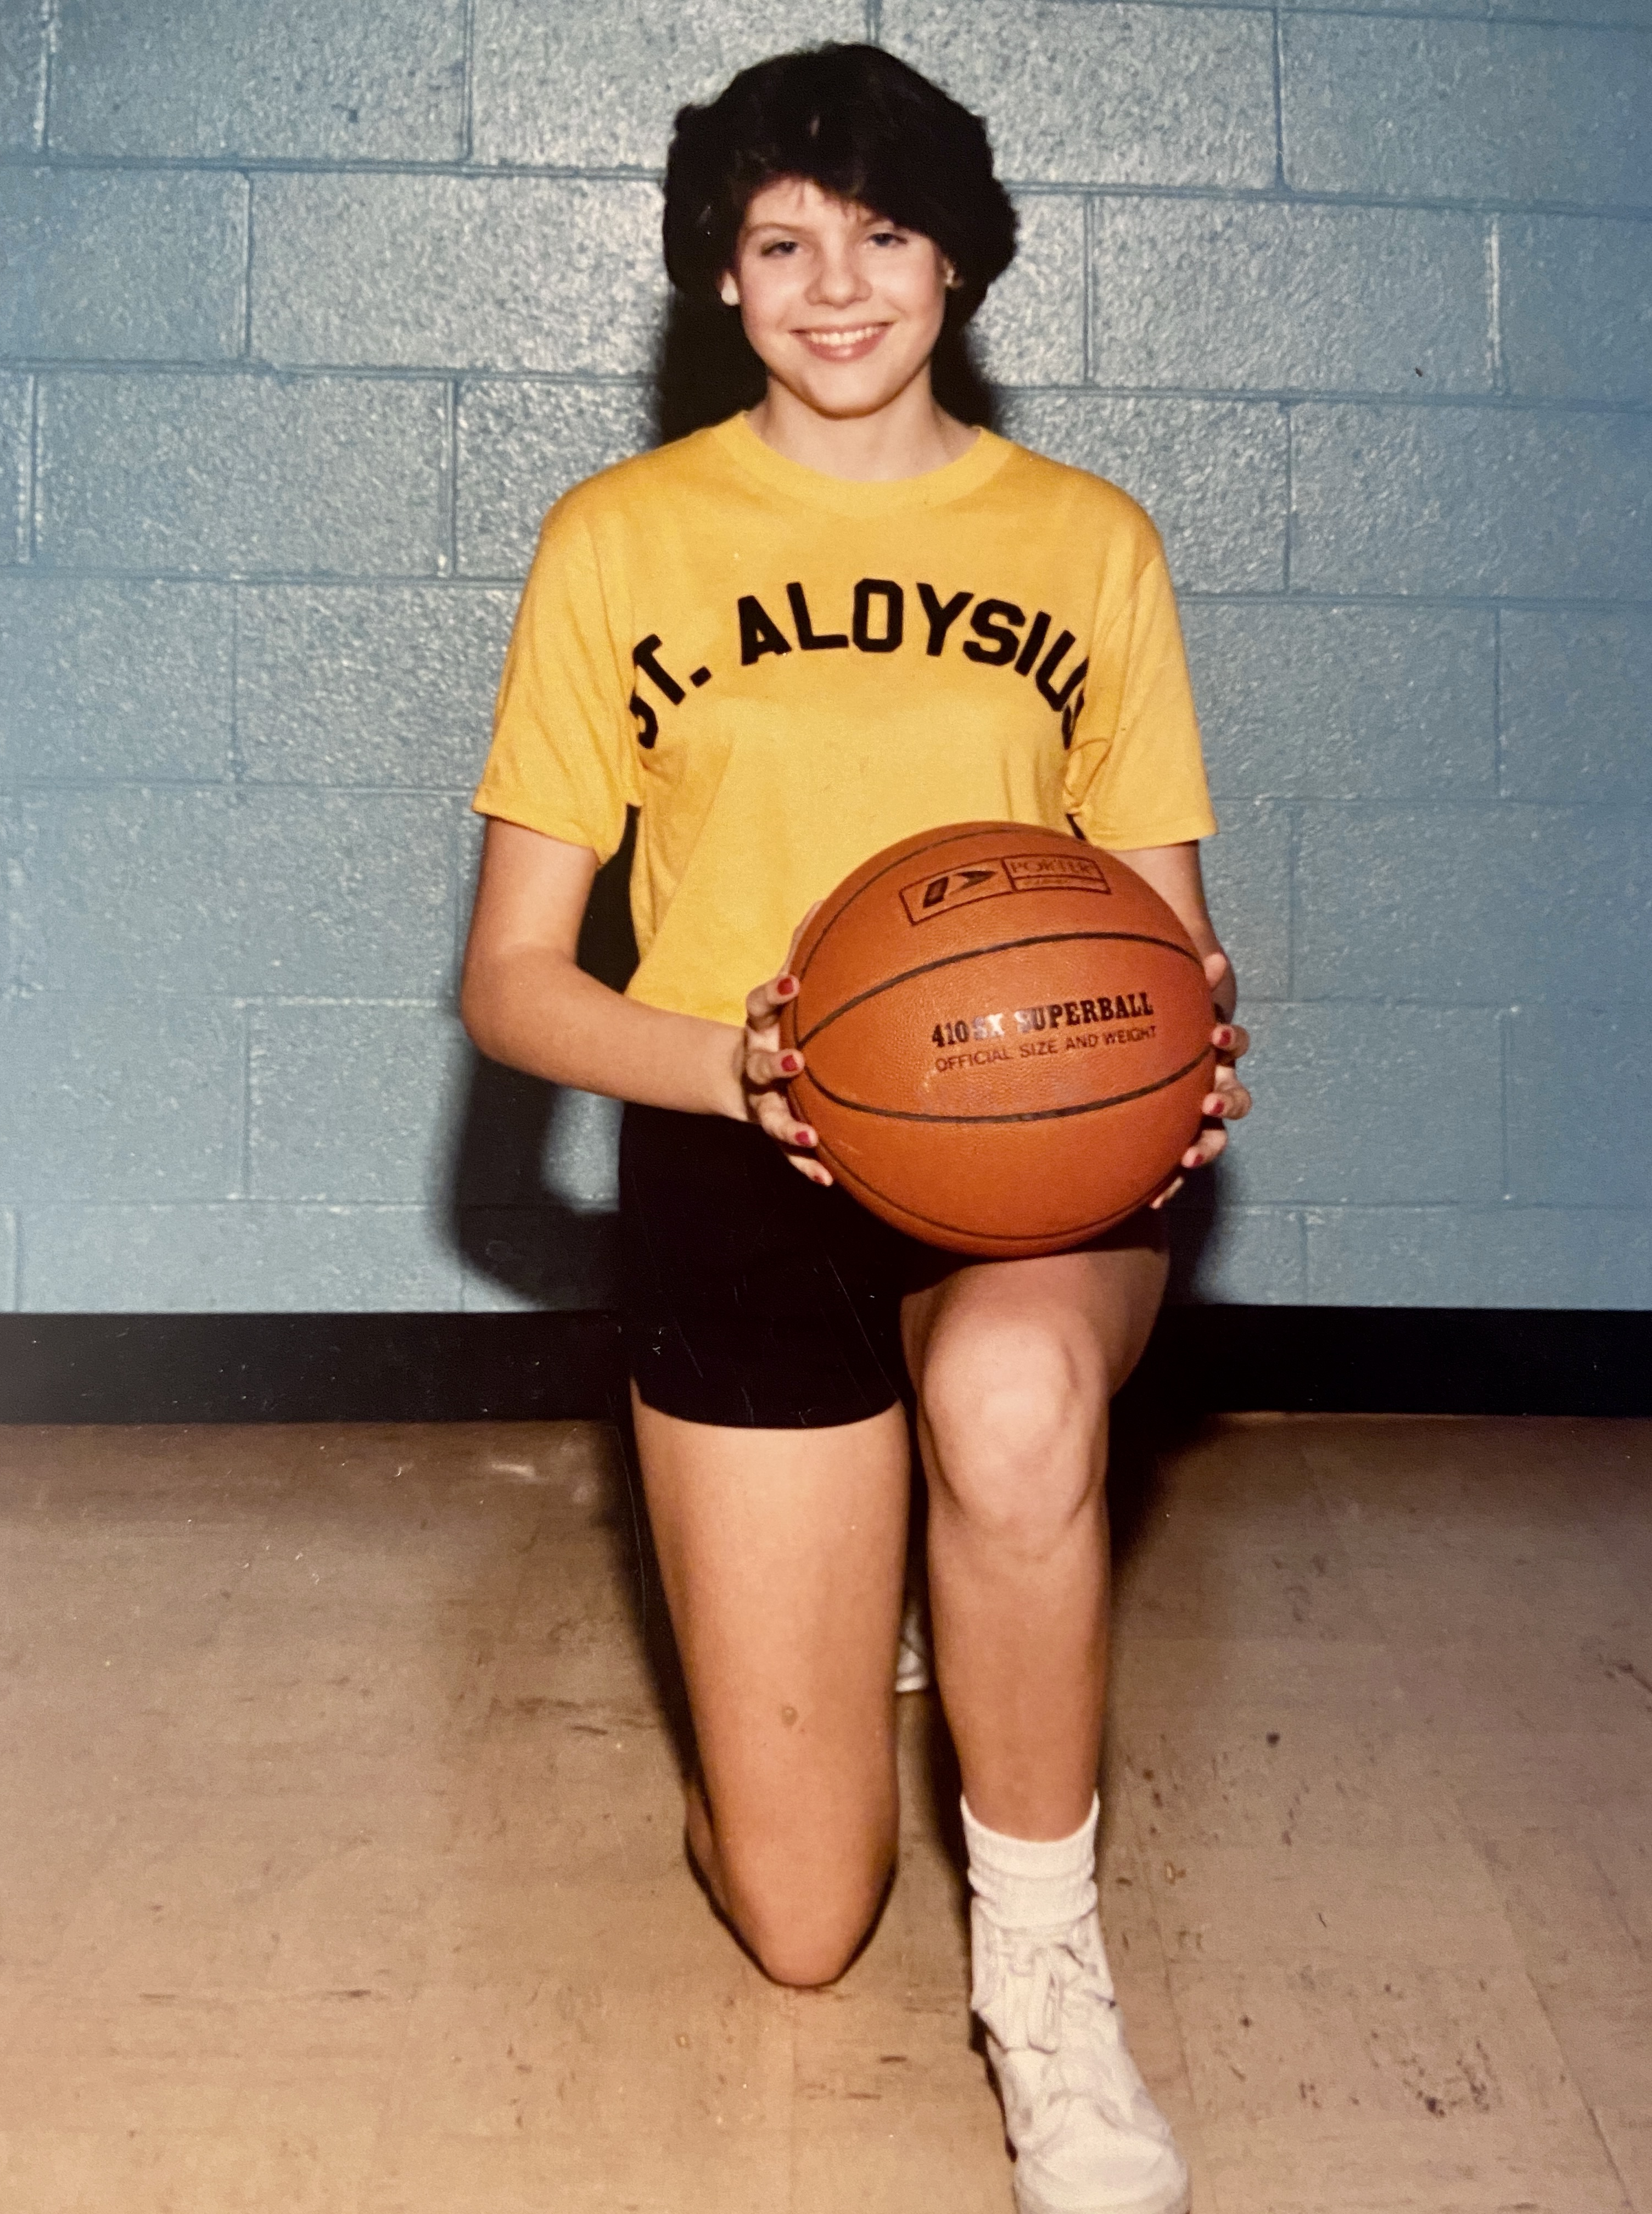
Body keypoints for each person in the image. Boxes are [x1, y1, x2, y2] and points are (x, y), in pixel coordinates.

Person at [461, 44, 1250, 2214]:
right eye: (783, 241)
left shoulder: (1086, 545)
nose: (836, 287)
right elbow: (514, 985)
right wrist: (746, 1068)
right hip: (743, 1146)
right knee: (803, 1926)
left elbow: (1171, 942)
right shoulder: (619, 541)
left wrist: (1183, 1054)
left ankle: (1053, 1993)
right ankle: (833, 1645)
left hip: (1033, 1158)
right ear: (718, 277)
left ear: (960, 259)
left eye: (883, 234)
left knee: (1009, 1401)